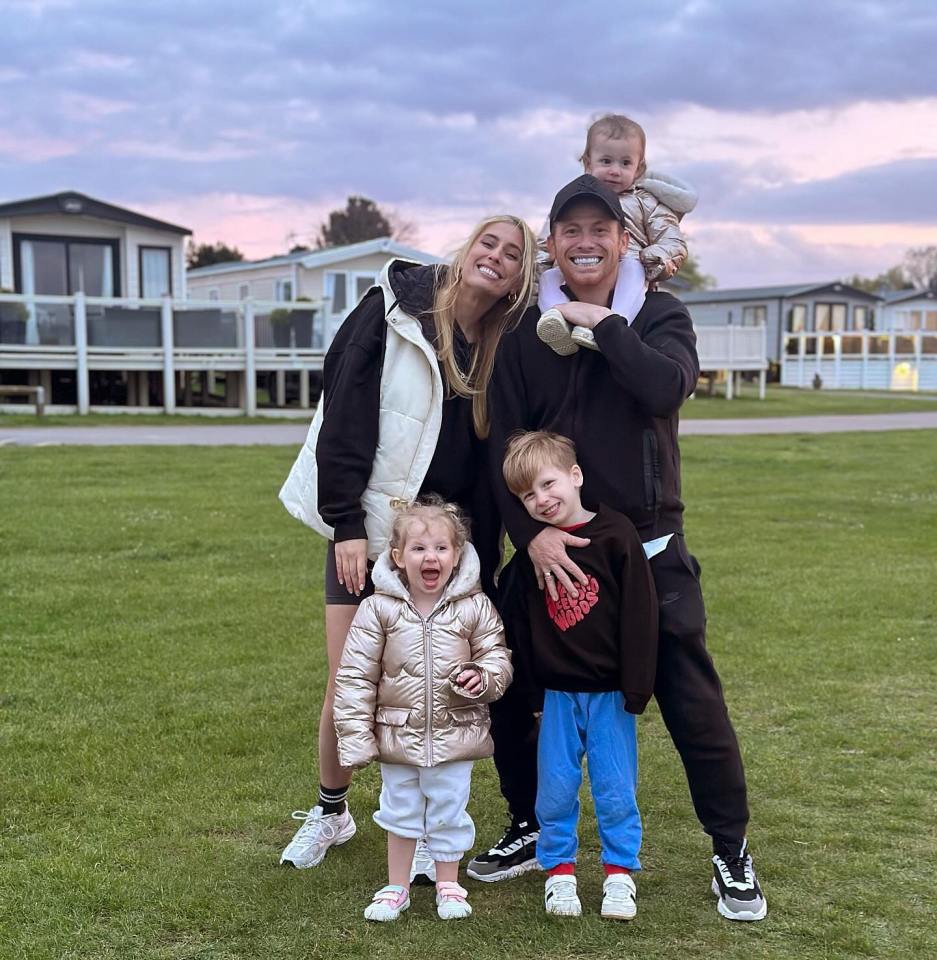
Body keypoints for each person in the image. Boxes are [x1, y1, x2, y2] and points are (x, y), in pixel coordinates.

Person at [469, 174, 768, 923]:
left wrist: (600, 324)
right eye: (569, 231)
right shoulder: (520, 340)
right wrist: (531, 533)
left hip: (646, 554)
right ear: (554, 245)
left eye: (598, 230)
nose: (585, 242)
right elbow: (502, 448)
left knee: (691, 704)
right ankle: (529, 825)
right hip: (553, 558)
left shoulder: (658, 315)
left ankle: (729, 849)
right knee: (516, 697)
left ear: (622, 241)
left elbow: (665, 388)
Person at [277, 215, 537, 872]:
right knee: (350, 683)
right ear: (467, 248)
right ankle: (330, 811)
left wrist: (487, 557)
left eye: (512, 255)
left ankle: (421, 834)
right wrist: (345, 524)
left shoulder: (502, 343)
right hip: (371, 532)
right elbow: (343, 407)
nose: (496, 258)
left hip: (450, 549)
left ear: (518, 277)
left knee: (440, 690)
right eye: (488, 243)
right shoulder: (393, 308)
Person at [501, 431, 657, 920]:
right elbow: (522, 627)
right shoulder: (532, 557)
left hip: (610, 693)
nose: (541, 500)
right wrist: (530, 691)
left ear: (575, 476)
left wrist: (637, 684)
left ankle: (618, 875)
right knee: (555, 789)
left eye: (548, 484)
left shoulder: (615, 535)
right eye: (527, 495)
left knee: (614, 788)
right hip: (556, 696)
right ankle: (560, 874)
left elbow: (640, 612)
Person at [333, 497, 513, 921]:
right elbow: (355, 676)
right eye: (418, 549)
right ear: (398, 557)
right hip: (398, 734)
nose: (430, 557)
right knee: (399, 809)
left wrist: (482, 677)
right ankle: (397, 887)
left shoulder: (475, 606)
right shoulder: (378, 609)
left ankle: (449, 885)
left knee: (450, 808)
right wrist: (357, 738)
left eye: (440, 548)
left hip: (456, 733)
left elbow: (498, 659)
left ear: (457, 556)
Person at [538, 113, 697, 354]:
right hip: (575, 273)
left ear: (639, 167)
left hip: (632, 261)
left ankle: (611, 322)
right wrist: (539, 265)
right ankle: (557, 321)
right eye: (606, 161)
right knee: (549, 277)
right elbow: (546, 242)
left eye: (625, 163)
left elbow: (672, 239)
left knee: (632, 269)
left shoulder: (646, 202)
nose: (614, 171)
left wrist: (655, 256)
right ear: (587, 163)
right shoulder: (570, 201)